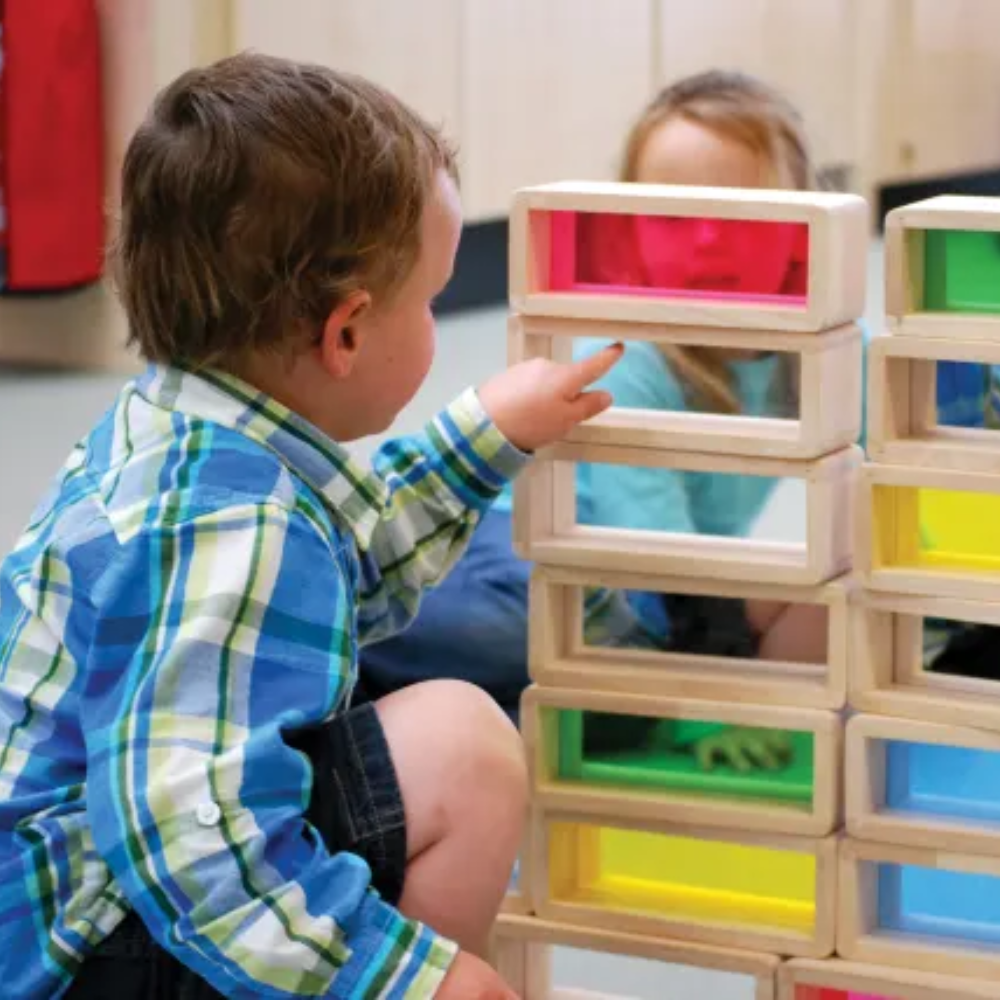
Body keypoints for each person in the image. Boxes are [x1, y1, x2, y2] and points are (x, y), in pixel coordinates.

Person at [0, 53, 626, 999]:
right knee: (462, 743)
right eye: (430, 299)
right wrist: (406, 977)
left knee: (437, 724)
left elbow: (340, 571)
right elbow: (188, 842)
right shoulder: (230, 522)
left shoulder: (180, 425)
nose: (436, 319)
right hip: (77, 954)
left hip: (82, 888)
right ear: (346, 333)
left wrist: (482, 436)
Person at [360, 70, 843, 768]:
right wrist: (702, 711)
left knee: (831, 602)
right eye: (675, 219)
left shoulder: (825, 349)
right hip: (528, 554)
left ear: (807, 226)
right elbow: (661, 560)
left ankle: (565, 707)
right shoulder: (631, 359)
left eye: (739, 211)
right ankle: (349, 659)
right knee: (517, 628)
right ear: (633, 237)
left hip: (656, 597)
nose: (707, 242)